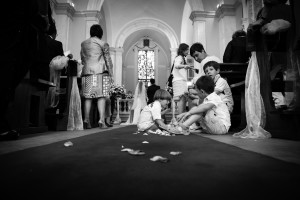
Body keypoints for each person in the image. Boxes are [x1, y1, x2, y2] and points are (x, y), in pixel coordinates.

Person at [0, 0, 51, 140]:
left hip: (19, 39)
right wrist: (43, 22)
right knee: (5, 79)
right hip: (11, 38)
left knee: (8, 81)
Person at [80, 24, 113, 129]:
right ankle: (101, 120)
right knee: (101, 96)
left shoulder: (83, 43)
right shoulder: (103, 43)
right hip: (100, 72)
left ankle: (86, 120)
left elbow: (82, 58)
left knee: (88, 97)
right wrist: (111, 73)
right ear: (101, 33)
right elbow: (108, 59)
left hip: (86, 72)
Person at [172, 43, 194, 115]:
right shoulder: (179, 57)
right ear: (183, 50)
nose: (188, 51)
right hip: (179, 82)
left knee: (183, 100)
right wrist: (185, 66)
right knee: (181, 100)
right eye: (187, 50)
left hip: (180, 82)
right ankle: (180, 121)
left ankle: (181, 120)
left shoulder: (181, 58)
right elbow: (177, 65)